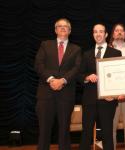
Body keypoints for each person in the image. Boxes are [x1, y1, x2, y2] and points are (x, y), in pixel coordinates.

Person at [34, 18, 81, 150]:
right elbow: (38, 65)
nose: (62, 28)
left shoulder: (76, 49)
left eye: (65, 26)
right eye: (59, 26)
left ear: (70, 31)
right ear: (55, 30)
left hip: (66, 95)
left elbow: (77, 68)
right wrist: (51, 79)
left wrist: (62, 80)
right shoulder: (45, 45)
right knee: (44, 131)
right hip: (45, 95)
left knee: (64, 131)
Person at [79, 23, 122, 150]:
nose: (98, 34)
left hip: (108, 100)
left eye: (101, 31)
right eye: (95, 31)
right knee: (86, 132)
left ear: (106, 34)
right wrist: (87, 77)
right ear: (93, 34)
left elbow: (118, 77)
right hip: (89, 100)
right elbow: (79, 75)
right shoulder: (86, 54)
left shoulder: (116, 53)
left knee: (107, 133)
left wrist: (114, 95)